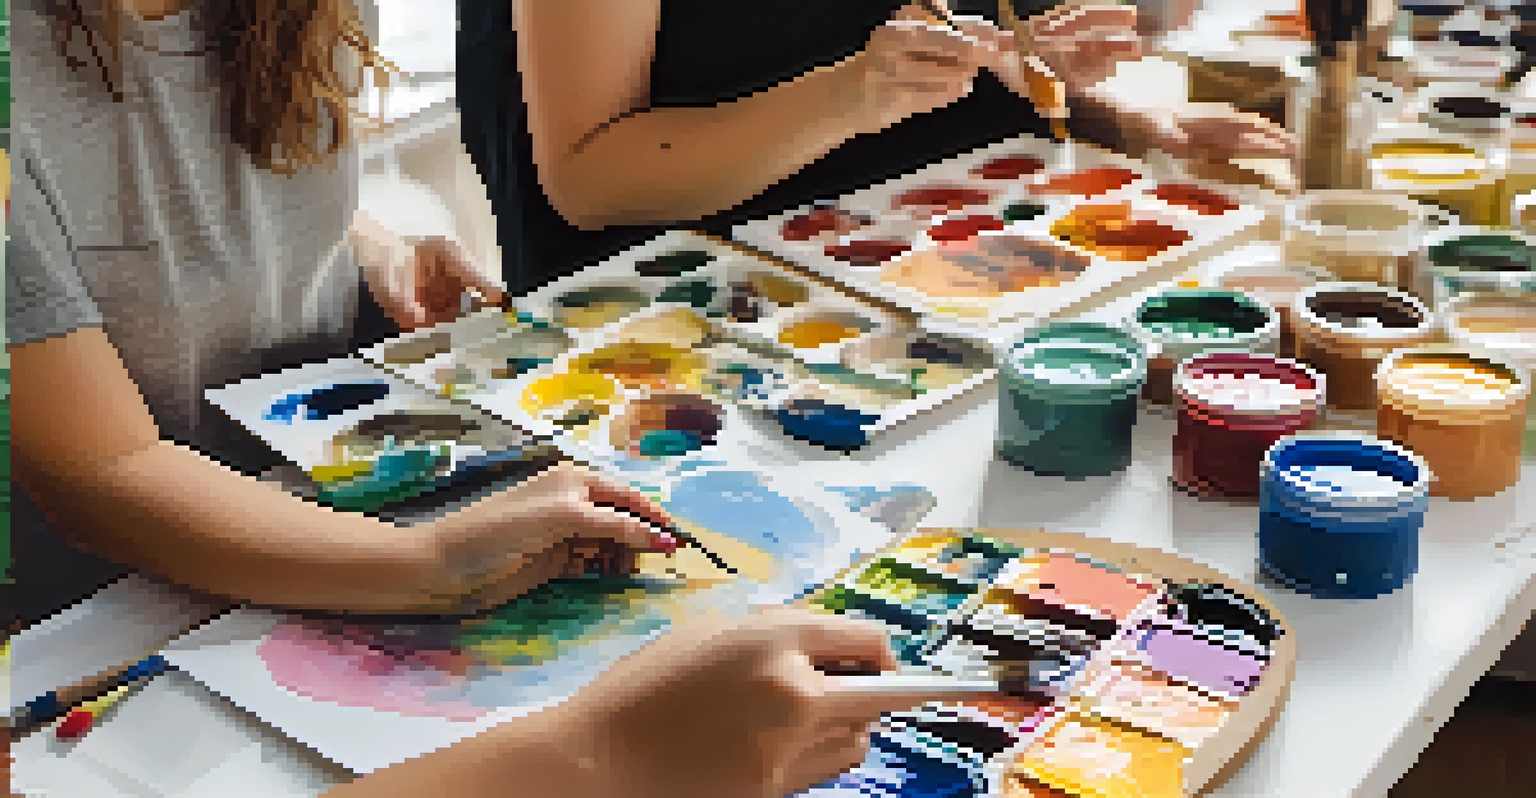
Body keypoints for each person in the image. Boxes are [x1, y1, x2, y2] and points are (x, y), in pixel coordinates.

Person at [6, 0, 676, 621]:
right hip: (116, 605)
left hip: (348, 493)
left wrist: (369, 249)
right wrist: (436, 566)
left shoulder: (306, 9)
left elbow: (223, 183)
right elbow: (101, 474)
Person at [456, 0, 1295, 296]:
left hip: (940, 278)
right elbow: (588, 180)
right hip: (693, 333)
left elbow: (950, 36)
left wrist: (1119, 120)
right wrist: (846, 96)